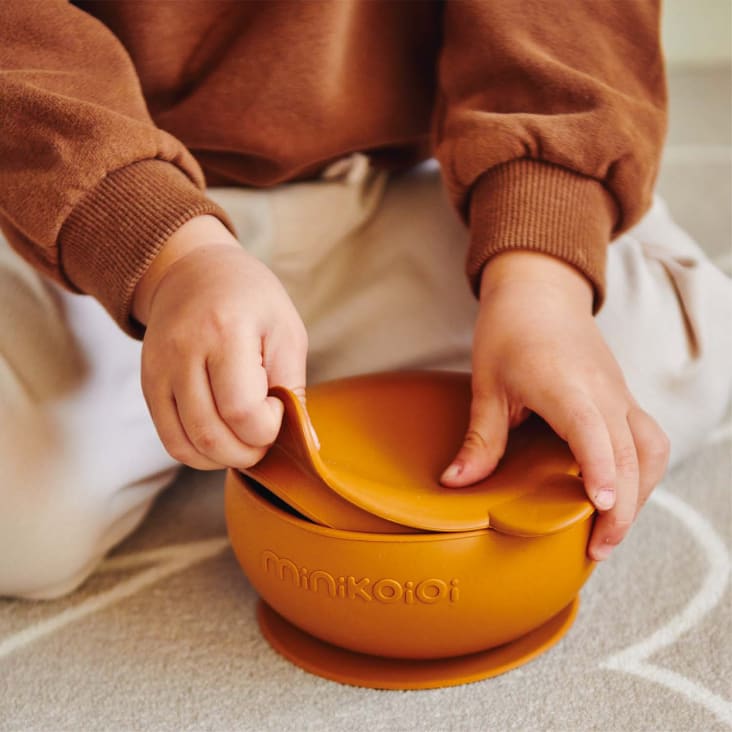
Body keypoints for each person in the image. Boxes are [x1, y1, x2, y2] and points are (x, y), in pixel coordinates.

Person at [1, 1, 729, 599]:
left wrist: (541, 280)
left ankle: (537, 237)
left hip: (414, 183)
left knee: (670, 369)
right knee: (23, 528)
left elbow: (570, 29)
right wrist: (167, 258)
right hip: (89, 209)